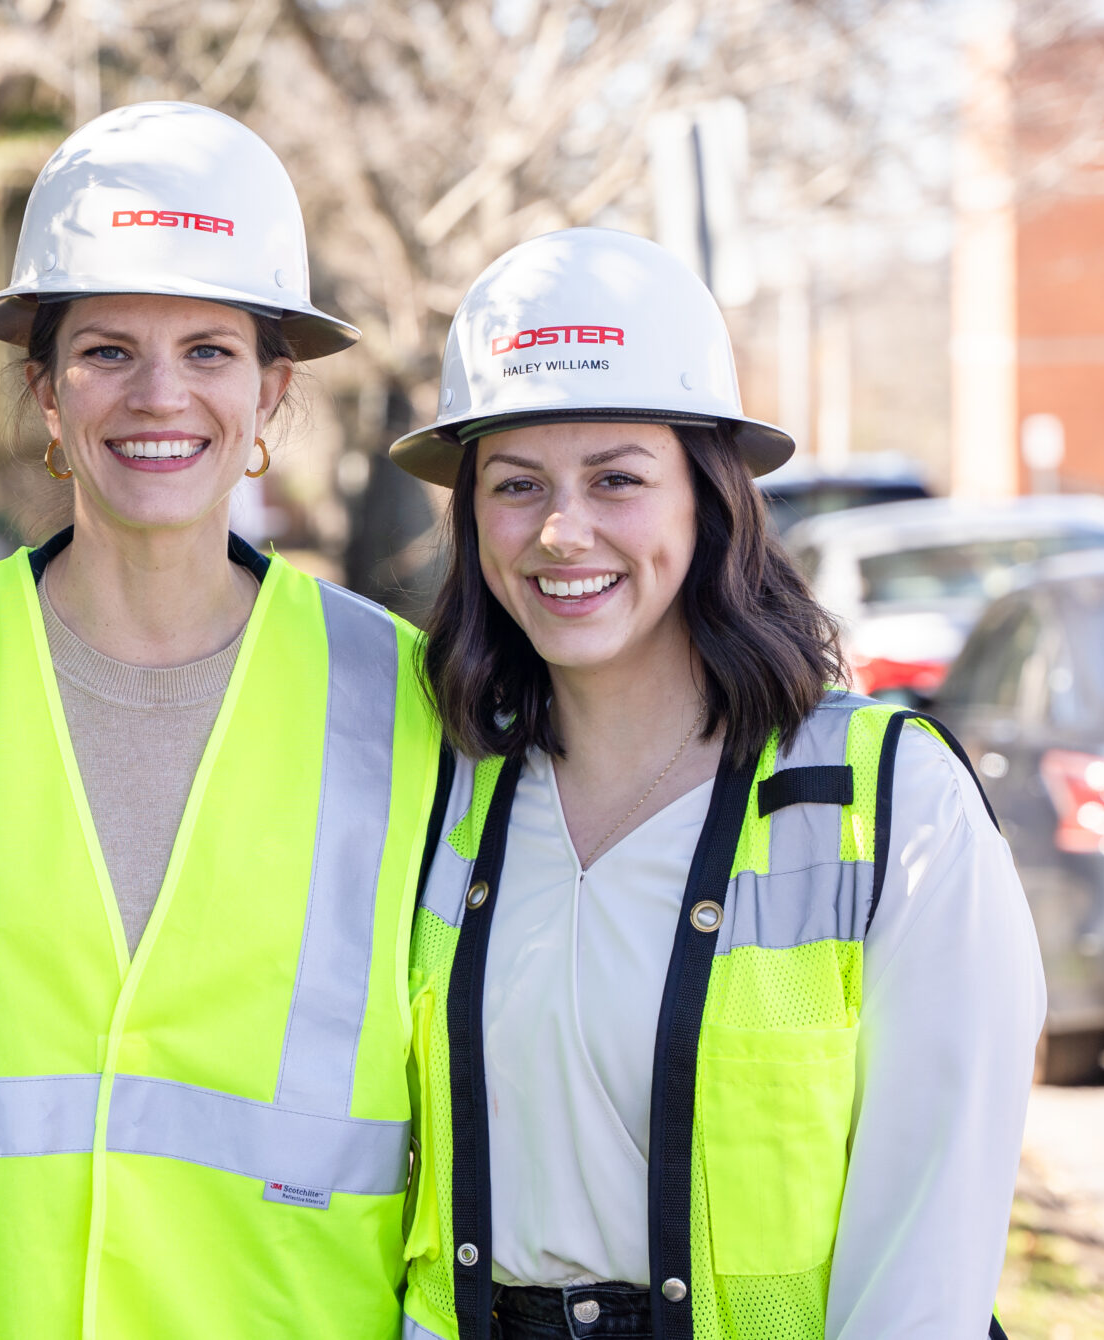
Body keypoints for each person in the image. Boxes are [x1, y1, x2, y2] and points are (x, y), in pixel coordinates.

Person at [0, 102, 444, 1338]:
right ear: (44, 389)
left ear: (270, 390)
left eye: (208, 350)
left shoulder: (402, 692)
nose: (160, 395)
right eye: (106, 351)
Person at [390, 229, 1043, 1340]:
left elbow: (926, 1260)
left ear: (710, 498)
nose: (561, 531)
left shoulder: (887, 804)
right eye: (516, 485)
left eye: (617, 479)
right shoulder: (439, 787)